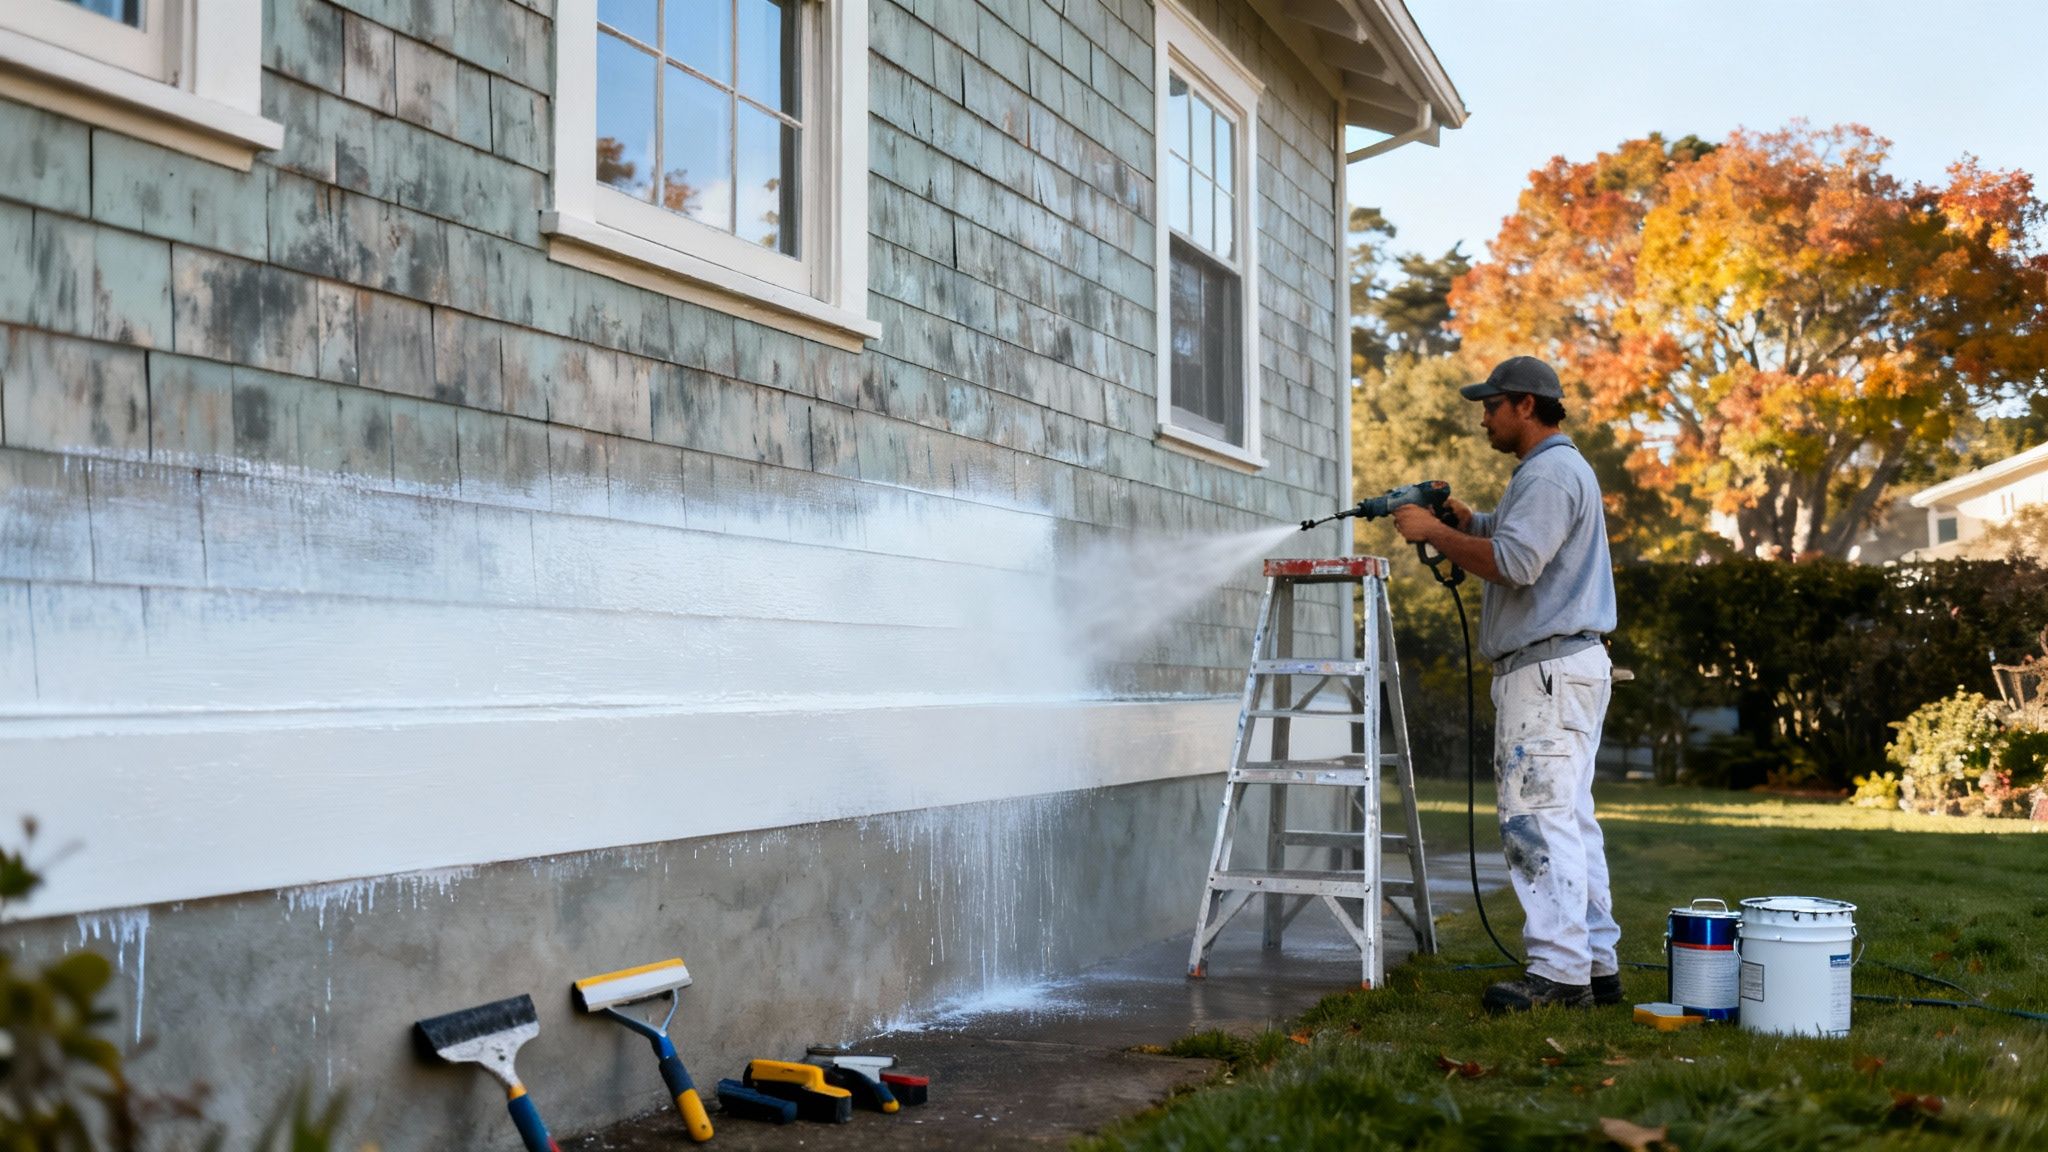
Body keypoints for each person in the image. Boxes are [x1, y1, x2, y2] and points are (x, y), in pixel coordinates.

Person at [1390, 355, 1620, 1013]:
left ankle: (1560, 976)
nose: (1484, 417)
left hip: (1545, 674)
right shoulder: (1552, 472)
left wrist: (1433, 531)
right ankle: (1596, 968)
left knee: (1536, 823)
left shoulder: (1548, 473)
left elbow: (1518, 565)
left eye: (1491, 406)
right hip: (1566, 666)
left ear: (1525, 404)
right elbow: (1521, 543)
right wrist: (1470, 523)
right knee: (1569, 819)